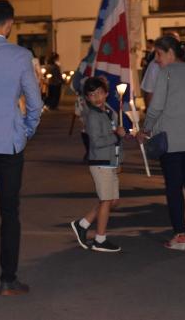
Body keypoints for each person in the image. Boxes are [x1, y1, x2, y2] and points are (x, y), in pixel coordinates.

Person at [0, 0, 43, 296]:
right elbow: (35, 102)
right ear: (10, 23)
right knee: (10, 211)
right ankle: (8, 279)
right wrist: (26, 130)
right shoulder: (20, 55)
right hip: (11, 142)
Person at [137, 35, 185, 251]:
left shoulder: (166, 73)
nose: (156, 60)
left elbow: (156, 106)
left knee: (174, 188)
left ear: (170, 52)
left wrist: (146, 128)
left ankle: (180, 236)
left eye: (158, 54)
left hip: (172, 140)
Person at [70, 77, 125, 252]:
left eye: (100, 93)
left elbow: (117, 141)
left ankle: (82, 224)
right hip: (100, 162)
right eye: (92, 95)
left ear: (106, 93)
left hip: (110, 161)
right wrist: (116, 135)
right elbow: (96, 141)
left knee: (112, 201)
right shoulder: (92, 115)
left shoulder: (109, 111)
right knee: (107, 200)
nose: (97, 97)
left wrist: (119, 160)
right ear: (87, 98)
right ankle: (100, 239)